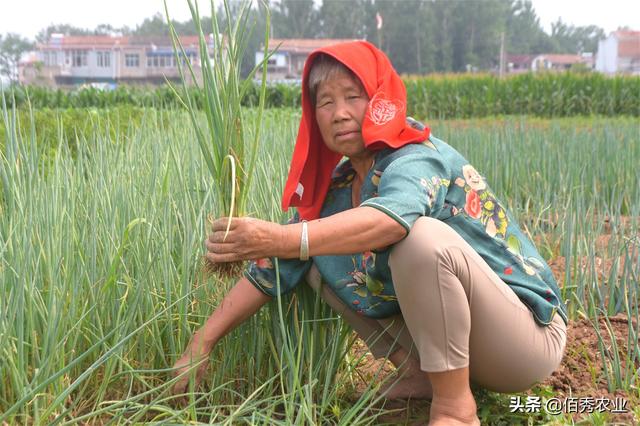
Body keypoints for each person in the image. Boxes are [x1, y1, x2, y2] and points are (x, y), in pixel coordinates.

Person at [172, 41, 567, 425]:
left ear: (381, 101)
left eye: (352, 97)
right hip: (452, 348)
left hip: (522, 341)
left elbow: (390, 219)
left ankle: (454, 409)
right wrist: (201, 341)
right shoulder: (340, 187)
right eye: (325, 102)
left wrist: (282, 237)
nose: (339, 113)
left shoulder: (415, 155)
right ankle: (417, 374)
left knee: (420, 239)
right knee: (310, 255)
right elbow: (276, 263)